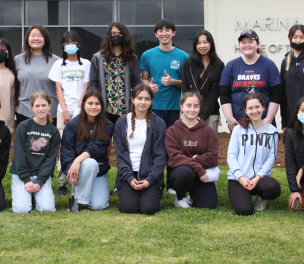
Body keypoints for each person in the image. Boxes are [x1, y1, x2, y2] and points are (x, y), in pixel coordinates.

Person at [113, 84, 167, 215]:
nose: (143, 102)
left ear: (151, 101)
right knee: (129, 208)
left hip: (150, 175)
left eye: (147, 99)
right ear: (132, 99)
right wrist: (129, 178)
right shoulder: (122, 122)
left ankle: (153, 193)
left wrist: (150, 180)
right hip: (128, 174)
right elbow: (120, 155)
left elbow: (160, 156)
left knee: (148, 209)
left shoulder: (159, 123)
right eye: (139, 98)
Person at [48, 30, 90, 196]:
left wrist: (79, 108)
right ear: (62, 46)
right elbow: (58, 89)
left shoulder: (85, 64)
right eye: (67, 43)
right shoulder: (58, 64)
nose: (70, 46)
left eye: (73, 43)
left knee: (81, 145)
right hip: (63, 111)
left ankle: (81, 178)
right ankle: (63, 182)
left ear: (79, 45)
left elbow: (86, 87)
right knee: (63, 146)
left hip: (82, 111)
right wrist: (65, 110)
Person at [227, 92, 281, 215]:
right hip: (239, 179)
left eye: (257, 107)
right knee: (244, 210)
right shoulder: (238, 129)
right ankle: (243, 193)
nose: (254, 111)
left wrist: (257, 178)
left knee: (273, 188)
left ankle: (262, 197)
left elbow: (271, 158)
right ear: (245, 110)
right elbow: (231, 155)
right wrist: (240, 177)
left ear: (263, 107)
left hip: (259, 179)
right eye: (250, 108)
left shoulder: (272, 131)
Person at [61, 89, 114, 211]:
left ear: (102, 106)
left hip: (98, 170)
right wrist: (72, 167)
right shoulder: (72, 125)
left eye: (97, 103)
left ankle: (85, 194)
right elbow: (66, 151)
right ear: (83, 104)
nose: (94, 107)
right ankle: (76, 202)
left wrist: (77, 160)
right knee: (90, 163)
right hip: (77, 171)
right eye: (90, 103)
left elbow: (97, 148)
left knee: (98, 206)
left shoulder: (108, 125)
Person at [165, 92, 219, 209]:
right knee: (185, 172)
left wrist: (193, 164)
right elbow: (175, 157)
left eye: (196, 106)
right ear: (181, 107)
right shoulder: (172, 131)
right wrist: (197, 167)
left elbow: (212, 157)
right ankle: (180, 197)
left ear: (200, 108)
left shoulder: (208, 131)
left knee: (209, 205)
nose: (192, 109)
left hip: (201, 175)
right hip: (180, 174)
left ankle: (193, 195)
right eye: (188, 105)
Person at [220, 29, 282, 132]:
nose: (247, 45)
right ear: (239, 45)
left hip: (263, 121)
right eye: (243, 42)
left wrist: (269, 119)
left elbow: (276, 95)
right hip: (238, 122)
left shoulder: (269, 65)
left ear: (258, 44)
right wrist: (229, 118)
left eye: (250, 42)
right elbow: (224, 94)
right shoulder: (231, 66)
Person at [10, 92, 60, 214]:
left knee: (47, 209)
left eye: (44, 105)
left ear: (49, 106)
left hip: (40, 175)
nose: (41, 109)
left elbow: (50, 160)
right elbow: (19, 155)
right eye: (37, 106)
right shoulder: (24, 126)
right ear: (32, 108)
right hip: (21, 175)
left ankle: (34, 195)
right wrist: (27, 180)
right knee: (22, 210)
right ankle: (27, 196)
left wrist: (40, 181)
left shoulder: (53, 132)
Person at [140, 19, 189, 129]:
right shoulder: (147, 55)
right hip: (153, 106)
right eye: (160, 31)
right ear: (156, 34)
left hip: (175, 107)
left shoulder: (183, 56)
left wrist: (172, 81)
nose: (164, 34)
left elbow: (188, 83)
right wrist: (149, 87)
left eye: (167, 30)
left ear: (173, 33)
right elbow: (144, 79)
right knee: (154, 140)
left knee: (172, 141)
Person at [89, 22, 140, 125]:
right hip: (104, 108)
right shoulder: (98, 58)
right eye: (113, 33)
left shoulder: (132, 58)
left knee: (122, 138)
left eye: (119, 33)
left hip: (125, 108)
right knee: (104, 138)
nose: (116, 36)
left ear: (124, 36)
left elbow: (136, 84)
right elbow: (93, 85)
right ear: (109, 36)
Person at [15, 25, 60, 127]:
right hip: (24, 112)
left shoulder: (56, 61)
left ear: (45, 39)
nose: (36, 38)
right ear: (27, 38)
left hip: (49, 114)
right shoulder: (18, 60)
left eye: (40, 36)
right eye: (33, 35)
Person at [181, 30, 225, 134]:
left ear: (211, 43)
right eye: (199, 43)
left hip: (211, 113)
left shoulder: (219, 65)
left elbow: (215, 93)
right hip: (190, 112)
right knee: (189, 145)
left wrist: (202, 115)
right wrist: (191, 110)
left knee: (210, 146)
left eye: (205, 42)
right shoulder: (188, 63)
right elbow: (185, 88)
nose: (202, 46)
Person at [280, 25, 304, 130]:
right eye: (295, 37)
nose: (298, 40)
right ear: (290, 38)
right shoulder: (286, 61)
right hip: (292, 118)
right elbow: (283, 94)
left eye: (302, 37)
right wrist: (284, 122)